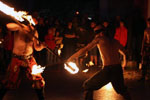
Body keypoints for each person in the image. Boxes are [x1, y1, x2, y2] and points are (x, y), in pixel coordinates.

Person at [67, 29, 131, 100]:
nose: (95, 35)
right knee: (122, 90)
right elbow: (125, 53)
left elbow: (85, 49)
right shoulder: (115, 41)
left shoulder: (99, 39)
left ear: (101, 33)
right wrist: (124, 62)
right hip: (117, 69)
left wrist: (71, 58)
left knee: (88, 85)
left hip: (108, 69)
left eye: (96, 32)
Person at [0, 22, 46, 100]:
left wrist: (42, 46)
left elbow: (37, 47)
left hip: (29, 59)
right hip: (17, 58)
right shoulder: (19, 28)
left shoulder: (34, 32)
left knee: (38, 80)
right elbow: (8, 26)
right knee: (9, 81)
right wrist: (20, 25)